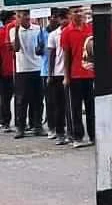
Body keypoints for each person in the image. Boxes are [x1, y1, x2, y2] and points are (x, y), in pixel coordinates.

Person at [62, 6, 96, 147]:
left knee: (91, 108)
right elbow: (66, 56)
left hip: (90, 74)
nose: (79, 14)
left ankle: (93, 136)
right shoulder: (66, 32)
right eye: (76, 11)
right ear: (70, 15)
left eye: (80, 11)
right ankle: (77, 137)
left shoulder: (90, 29)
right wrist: (66, 76)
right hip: (75, 75)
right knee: (75, 108)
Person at [10, 10, 44, 139]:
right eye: (24, 15)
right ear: (18, 18)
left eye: (28, 15)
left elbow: (41, 48)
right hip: (22, 69)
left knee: (38, 99)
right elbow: (16, 48)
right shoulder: (13, 31)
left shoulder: (37, 28)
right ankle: (21, 127)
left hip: (37, 67)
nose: (27, 17)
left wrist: (40, 47)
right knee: (22, 100)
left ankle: (37, 125)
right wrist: (18, 30)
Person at [46, 9, 69, 145]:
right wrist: (50, 74)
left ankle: (71, 132)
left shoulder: (72, 32)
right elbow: (51, 56)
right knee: (59, 105)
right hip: (58, 73)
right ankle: (60, 132)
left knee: (71, 106)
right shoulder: (54, 35)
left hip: (72, 74)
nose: (65, 21)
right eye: (63, 18)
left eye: (66, 18)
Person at [0, 11, 14, 133]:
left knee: (8, 98)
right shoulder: (2, 33)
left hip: (16, 70)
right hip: (6, 71)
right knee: (5, 98)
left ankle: (6, 122)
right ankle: (5, 121)